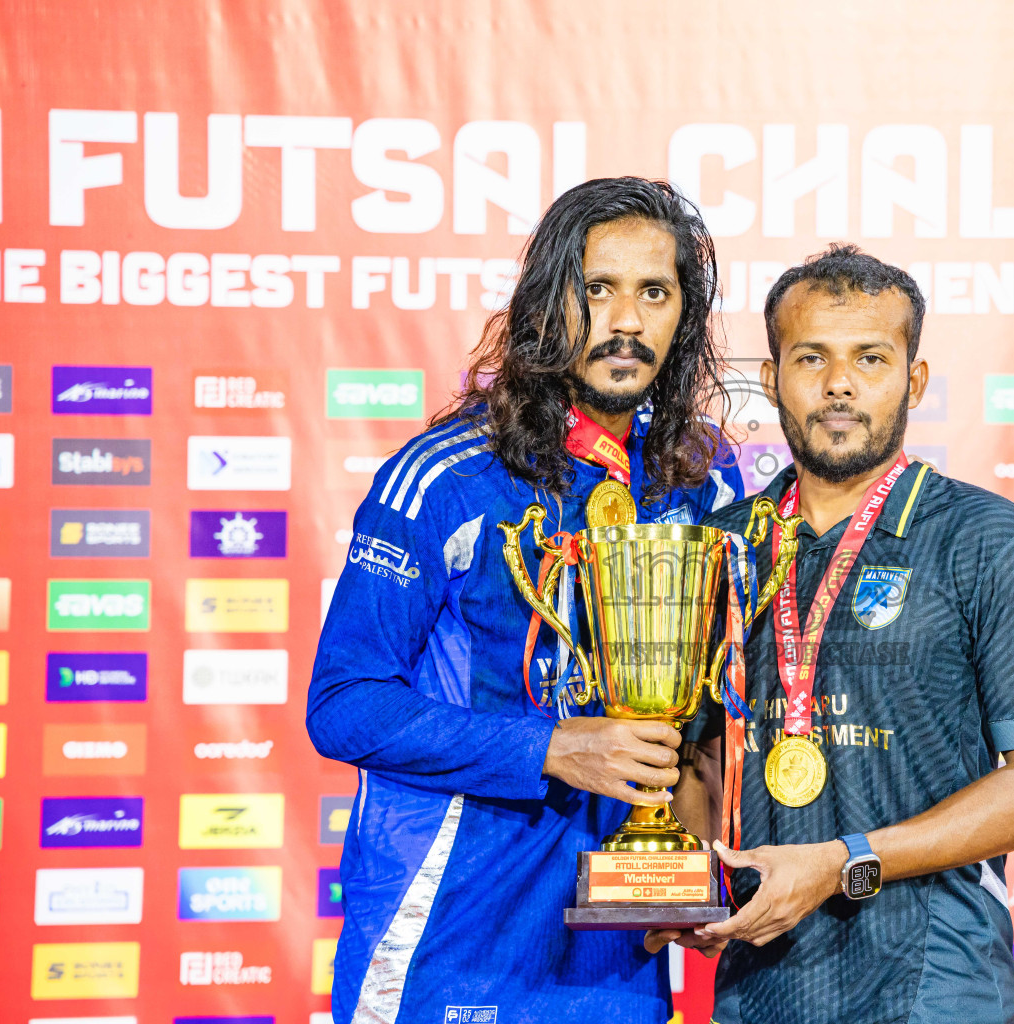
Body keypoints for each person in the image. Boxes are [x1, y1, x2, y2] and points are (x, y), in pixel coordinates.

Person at [307, 177, 742, 1024]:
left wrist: (699, 870)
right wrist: (553, 746)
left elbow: (696, 730)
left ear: (683, 316)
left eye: (654, 292)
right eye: (597, 289)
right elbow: (344, 706)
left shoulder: (694, 487)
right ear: (549, 305)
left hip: (617, 950)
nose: (625, 321)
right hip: (451, 937)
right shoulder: (443, 475)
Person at [657, 244, 1014, 1024]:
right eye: (810, 357)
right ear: (772, 377)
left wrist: (841, 864)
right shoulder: (719, 548)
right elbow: (700, 760)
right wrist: (689, 876)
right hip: (759, 988)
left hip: (930, 984)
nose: (839, 384)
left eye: (871, 358)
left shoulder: (990, 540)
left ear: (913, 380)